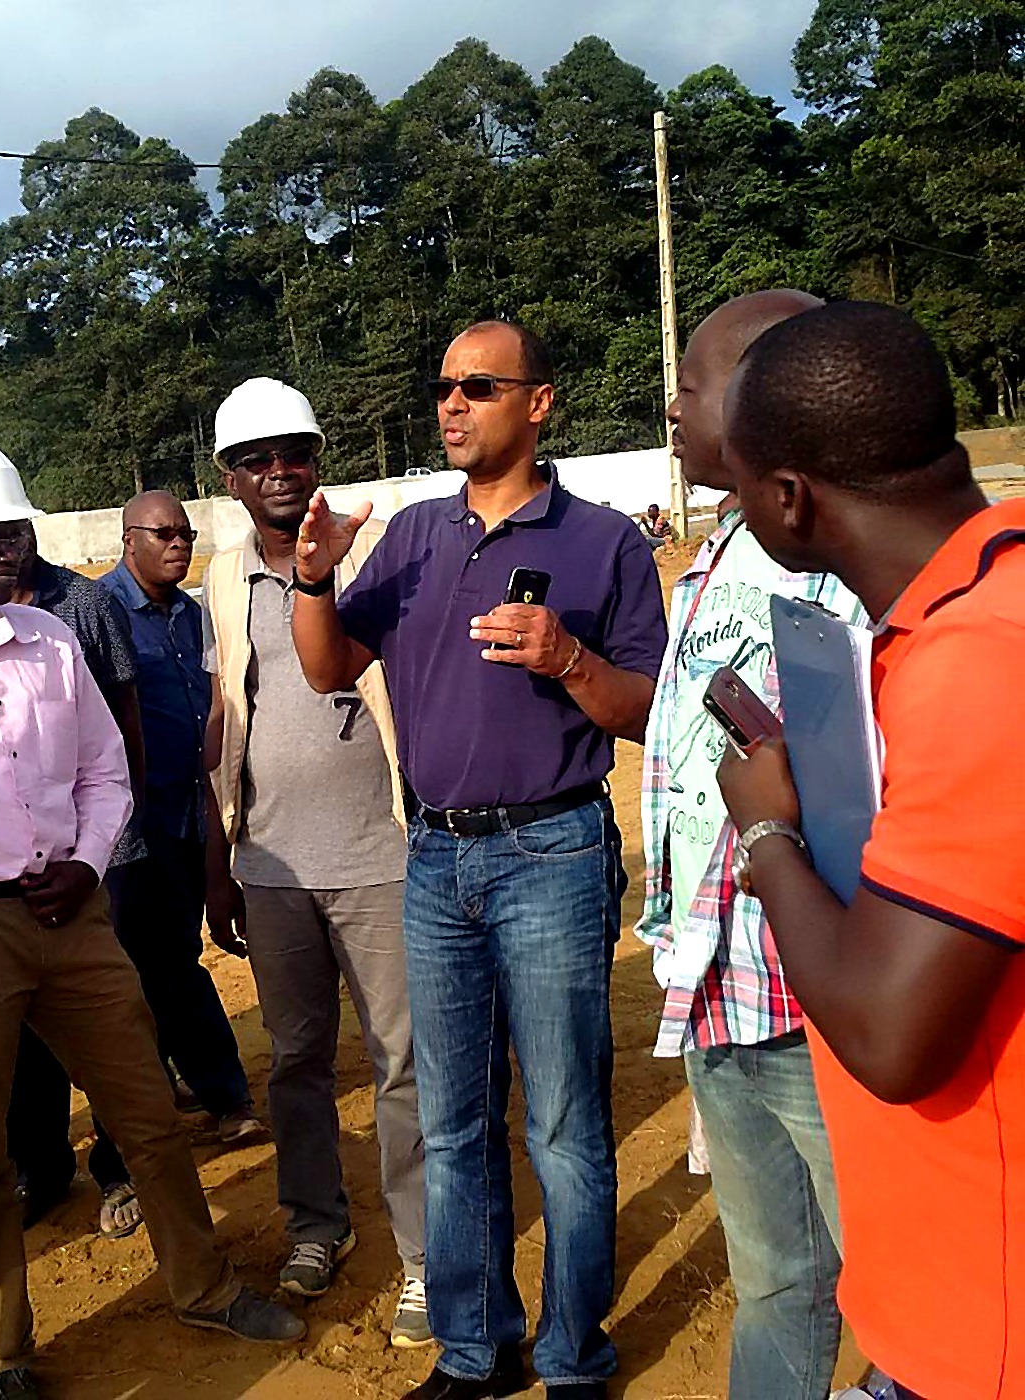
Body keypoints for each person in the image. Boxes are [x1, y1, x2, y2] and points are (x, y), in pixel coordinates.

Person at [0, 433, 303, 1400]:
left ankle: (201, 1286)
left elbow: (102, 768)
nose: (8, 550)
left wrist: (86, 864)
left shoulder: (49, 641)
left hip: (73, 918)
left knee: (150, 1117)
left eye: (15, 531)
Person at [292, 322, 669, 1399]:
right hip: (434, 857)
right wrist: (314, 579)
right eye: (442, 387)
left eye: (476, 386)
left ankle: (572, 1356)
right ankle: (473, 1349)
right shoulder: (411, 536)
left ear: (537, 403)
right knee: (453, 1123)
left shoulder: (602, 541)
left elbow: (648, 709)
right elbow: (328, 668)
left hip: (553, 848)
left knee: (560, 1123)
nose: (450, 404)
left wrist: (568, 657)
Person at [715, 301, 1025, 1400]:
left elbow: (892, 1037)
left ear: (789, 499)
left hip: (985, 1325)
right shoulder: (980, 598)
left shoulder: (977, 662)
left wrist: (764, 826)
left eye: (739, 486)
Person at [641, 290, 860, 1399]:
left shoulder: (845, 569)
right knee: (772, 1272)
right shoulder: (716, 550)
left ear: (765, 396)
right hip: (719, 988)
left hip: (818, 997)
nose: (669, 407)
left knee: (889, 1268)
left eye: (687, 383)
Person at [200, 378, 428, 1348]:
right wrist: (221, 856)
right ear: (230, 476)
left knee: (402, 1060)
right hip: (273, 863)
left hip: (382, 855)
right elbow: (225, 712)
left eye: (293, 451)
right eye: (256, 458)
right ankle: (314, 1226)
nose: (278, 470)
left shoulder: (367, 554)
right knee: (294, 1061)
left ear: (315, 458)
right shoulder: (219, 574)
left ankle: (426, 1252)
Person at [99, 495, 265, 1135]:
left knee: (168, 961)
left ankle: (192, 1087)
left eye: (186, 533)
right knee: (152, 966)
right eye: (164, 533)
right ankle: (219, 1096)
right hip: (127, 833)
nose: (178, 544)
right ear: (128, 537)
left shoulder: (194, 619)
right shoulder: (99, 614)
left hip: (191, 819)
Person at [5, 527, 151, 1237]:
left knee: (107, 1023)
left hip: (98, 857)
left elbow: (124, 721)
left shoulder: (83, 607)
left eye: (13, 531)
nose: (3, 547)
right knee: (27, 1031)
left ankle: (117, 1167)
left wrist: (116, 833)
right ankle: (42, 1164)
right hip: (12, 883)